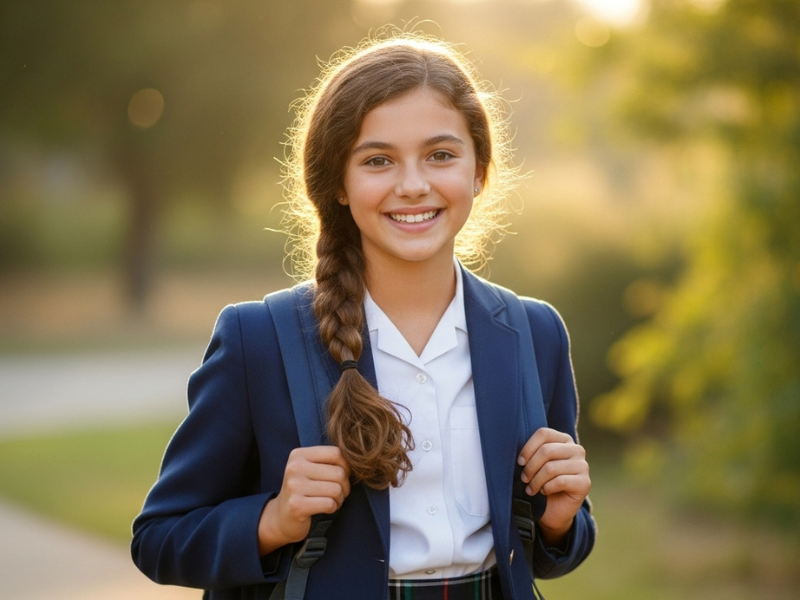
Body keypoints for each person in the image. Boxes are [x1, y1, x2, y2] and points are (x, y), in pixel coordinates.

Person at [132, 32, 595, 600]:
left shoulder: (534, 333)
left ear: (479, 171)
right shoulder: (259, 340)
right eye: (378, 160)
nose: (413, 185)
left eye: (441, 155)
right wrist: (272, 520)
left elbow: (552, 550)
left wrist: (560, 516)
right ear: (340, 186)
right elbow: (159, 538)